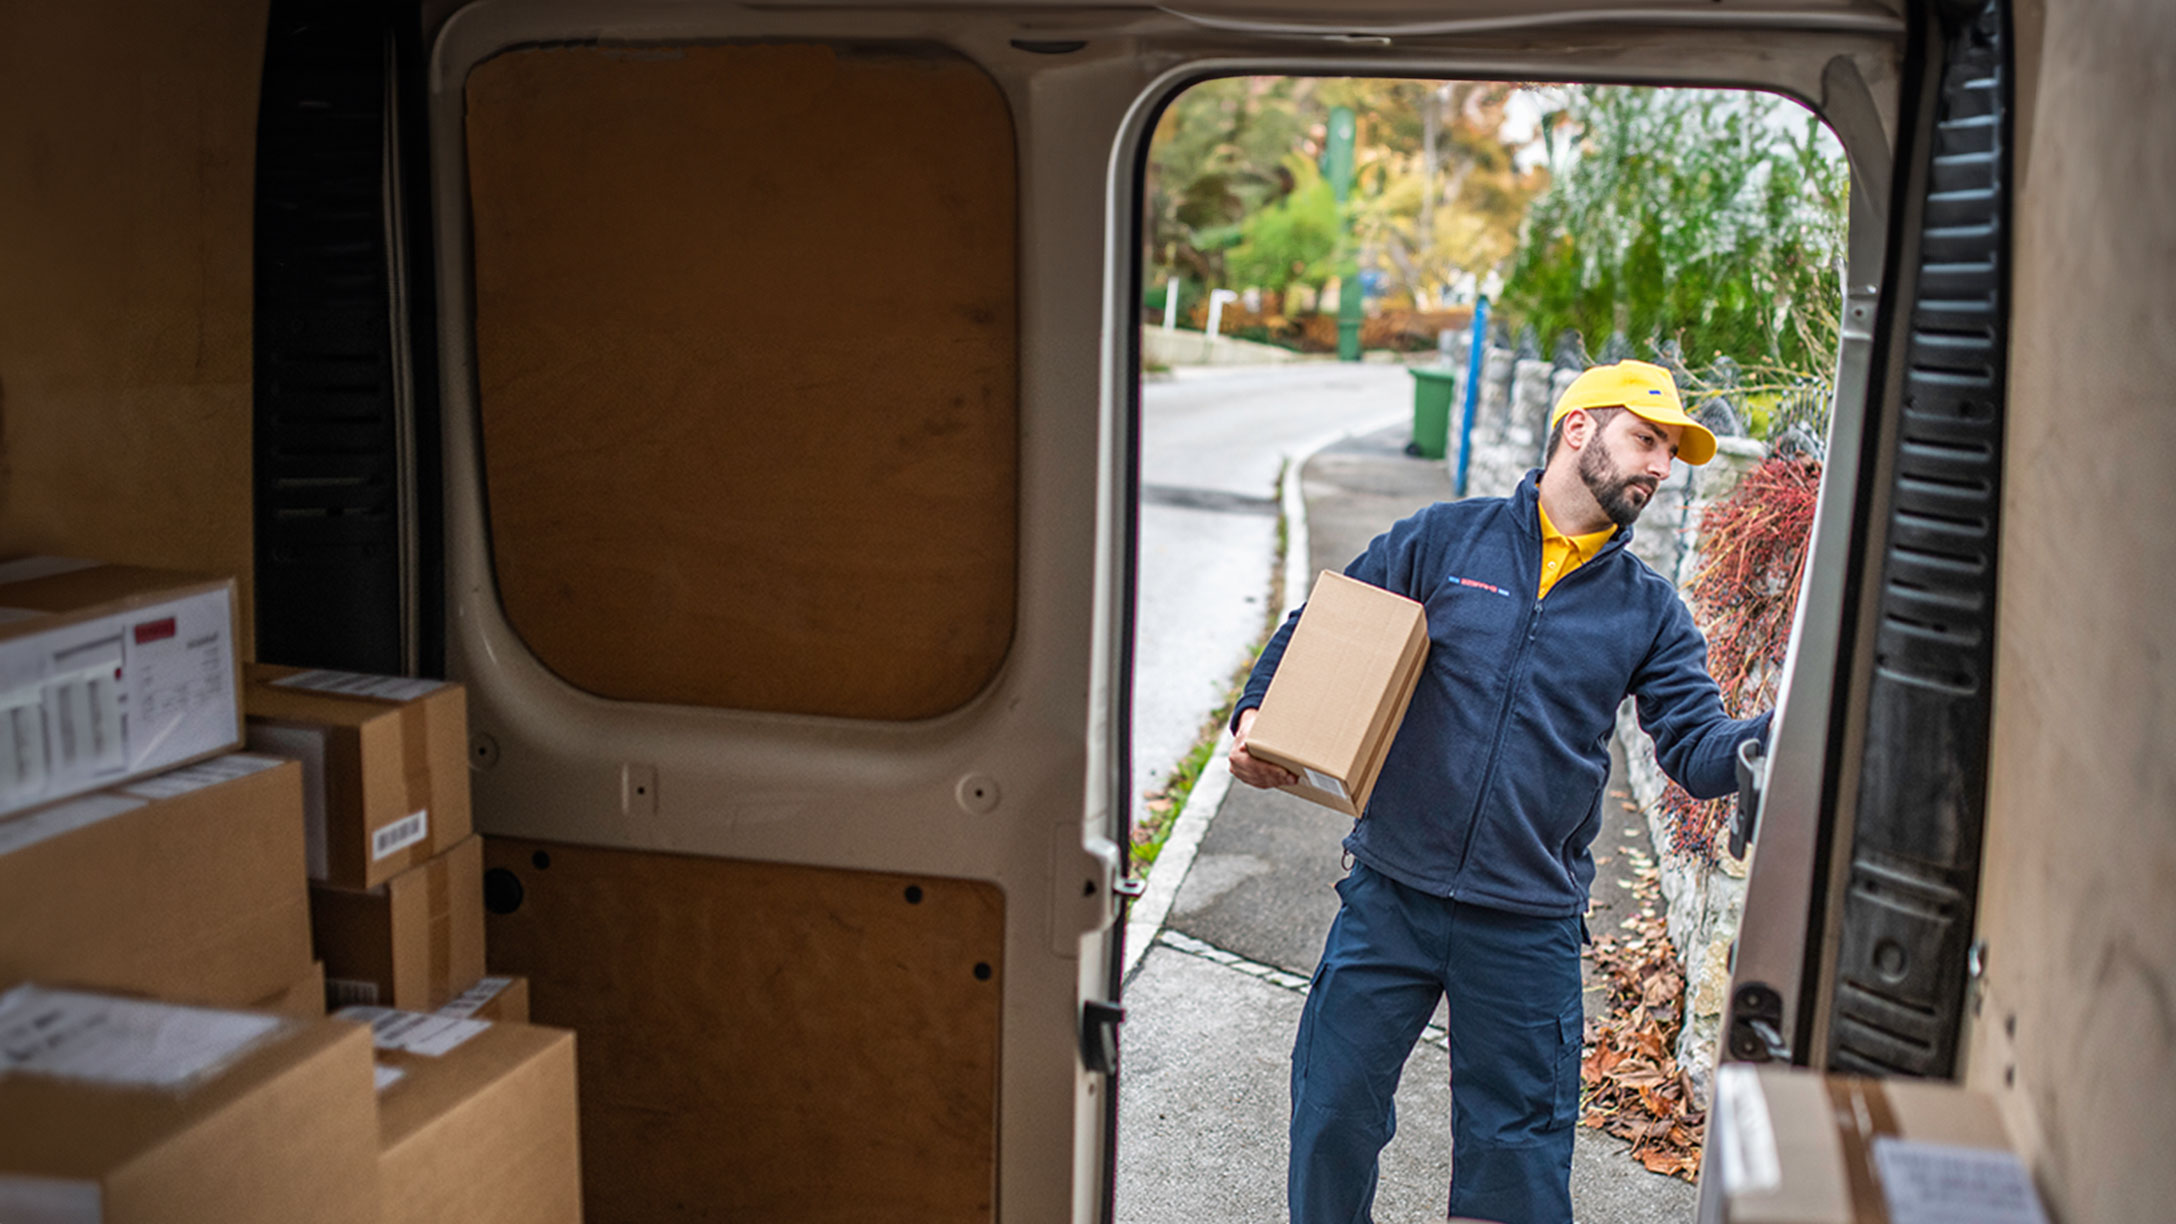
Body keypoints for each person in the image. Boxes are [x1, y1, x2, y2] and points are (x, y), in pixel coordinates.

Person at [1227, 359, 1770, 1224]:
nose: (1661, 468)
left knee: (1513, 1165)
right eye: (1647, 439)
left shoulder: (1650, 611)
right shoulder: (1446, 540)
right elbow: (1323, 628)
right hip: (1391, 891)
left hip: (1527, 921)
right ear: (1579, 428)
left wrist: (1773, 739)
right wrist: (1257, 717)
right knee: (1331, 1115)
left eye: (1672, 452)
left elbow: (1700, 748)